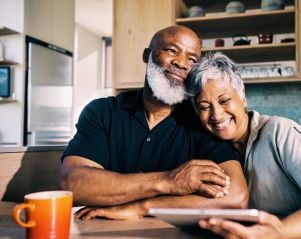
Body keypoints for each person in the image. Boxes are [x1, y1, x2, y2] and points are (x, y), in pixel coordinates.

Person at [60, 26, 248, 220]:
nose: (181, 63)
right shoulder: (102, 112)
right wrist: (168, 181)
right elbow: (73, 183)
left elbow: (236, 196)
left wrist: (144, 206)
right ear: (147, 55)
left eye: (192, 59)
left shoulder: (201, 121)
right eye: (171, 51)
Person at [185, 52, 301, 238]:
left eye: (224, 100)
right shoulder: (208, 149)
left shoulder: (279, 131)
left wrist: (279, 232)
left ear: (243, 98)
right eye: (204, 107)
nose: (217, 115)